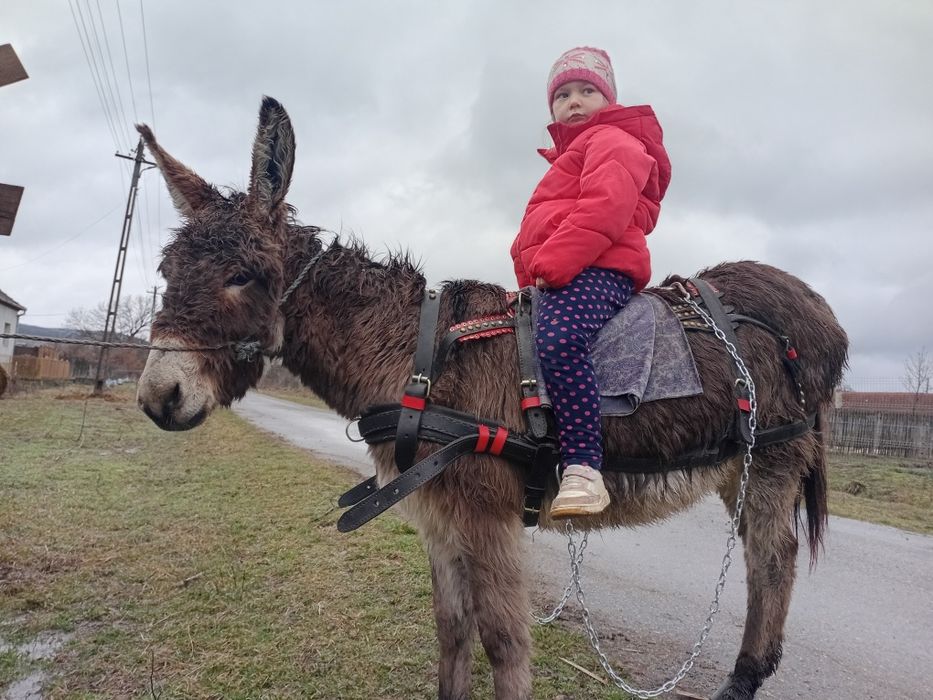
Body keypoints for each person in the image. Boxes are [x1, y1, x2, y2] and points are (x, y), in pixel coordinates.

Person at [510, 46, 671, 518]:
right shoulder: (571, 155)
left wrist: (555, 264)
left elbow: (605, 208)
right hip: (572, 268)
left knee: (560, 340)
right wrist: (529, 285)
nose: (574, 101)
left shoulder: (614, 141)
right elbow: (537, 231)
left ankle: (584, 467)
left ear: (609, 99)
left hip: (601, 267)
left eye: (587, 90)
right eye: (562, 94)